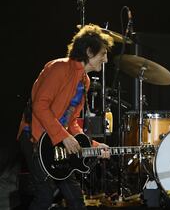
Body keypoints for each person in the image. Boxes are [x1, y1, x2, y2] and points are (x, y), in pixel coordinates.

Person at [16, 25, 114, 210]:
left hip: (55, 142)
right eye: (103, 54)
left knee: (76, 199)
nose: (106, 60)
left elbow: (71, 123)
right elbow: (40, 106)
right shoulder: (59, 68)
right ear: (89, 51)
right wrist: (63, 136)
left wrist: (93, 146)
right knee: (44, 195)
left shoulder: (84, 81)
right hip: (33, 137)